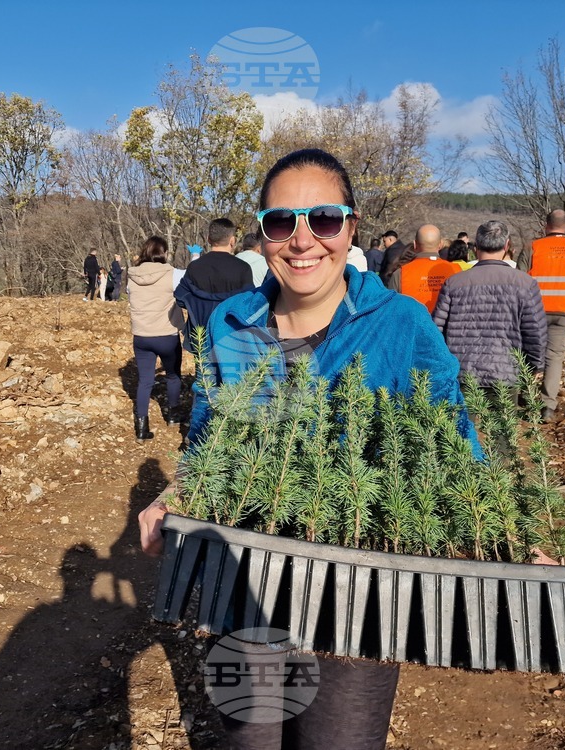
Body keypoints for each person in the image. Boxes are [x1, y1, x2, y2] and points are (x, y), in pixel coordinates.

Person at [139, 148, 482, 750]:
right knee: (250, 740)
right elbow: (209, 435)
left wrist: (515, 535)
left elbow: (454, 438)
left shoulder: (401, 323)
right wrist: (177, 492)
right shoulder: (230, 322)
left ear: (351, 228)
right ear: (262, 234)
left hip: (360, 595)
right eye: (280, 222)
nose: (302, 240)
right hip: (244, 583)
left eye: (323, 219)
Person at [433, 220, 547, 389]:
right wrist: (535, 365)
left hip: (462, 374)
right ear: (507, 246)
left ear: (475, 247)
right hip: (507, 375)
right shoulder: (525, 283)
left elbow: (436, 330)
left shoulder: (454, 283)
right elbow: (535, 332)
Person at [517, 210, 565, 421]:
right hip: (564, 311)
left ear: (546, 225)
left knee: (528, 352)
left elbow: (519, 281)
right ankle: (547, 406)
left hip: (534, 311)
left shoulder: (533, 247)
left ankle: (525, 396)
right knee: (554, 358)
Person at [126, 237, 184, 441]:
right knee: (173, 375)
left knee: (145, 381)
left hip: (142, 336)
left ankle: (142, 429)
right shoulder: (173, 274)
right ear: (164, 253)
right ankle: (173, 415)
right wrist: (195, 256)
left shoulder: (132, 276)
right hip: (167, 334)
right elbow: (191, 281)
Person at [174, 218, 254, 352]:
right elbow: (249, 303)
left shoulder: (194, 267)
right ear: (232, 240)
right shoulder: (243, 268)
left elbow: (181, 298)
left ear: (208, 239)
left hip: (200, 337)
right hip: (232, 336)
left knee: (203, 366)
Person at [388, 224, 460, 314]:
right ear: (441, 244)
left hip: (412, 322)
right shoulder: (457, 271)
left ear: (415, 245)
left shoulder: (400, 274)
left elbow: (390, 311)